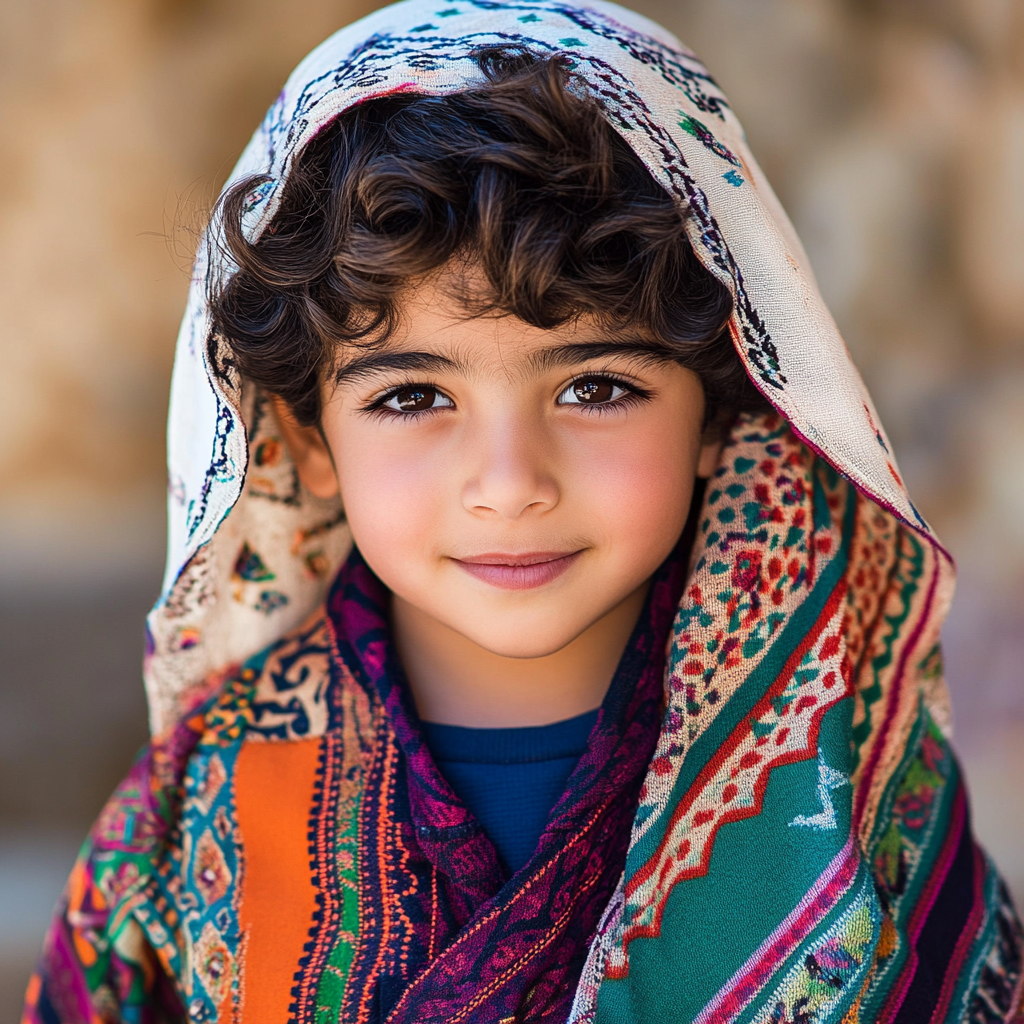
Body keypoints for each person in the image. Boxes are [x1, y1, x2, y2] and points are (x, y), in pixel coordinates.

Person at [23, 2, 1024, 1022]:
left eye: (594, 388)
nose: (509, 482)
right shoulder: (201, 805)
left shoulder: (848, 779)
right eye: (412, 397)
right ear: (310, 442)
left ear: (726, 409)